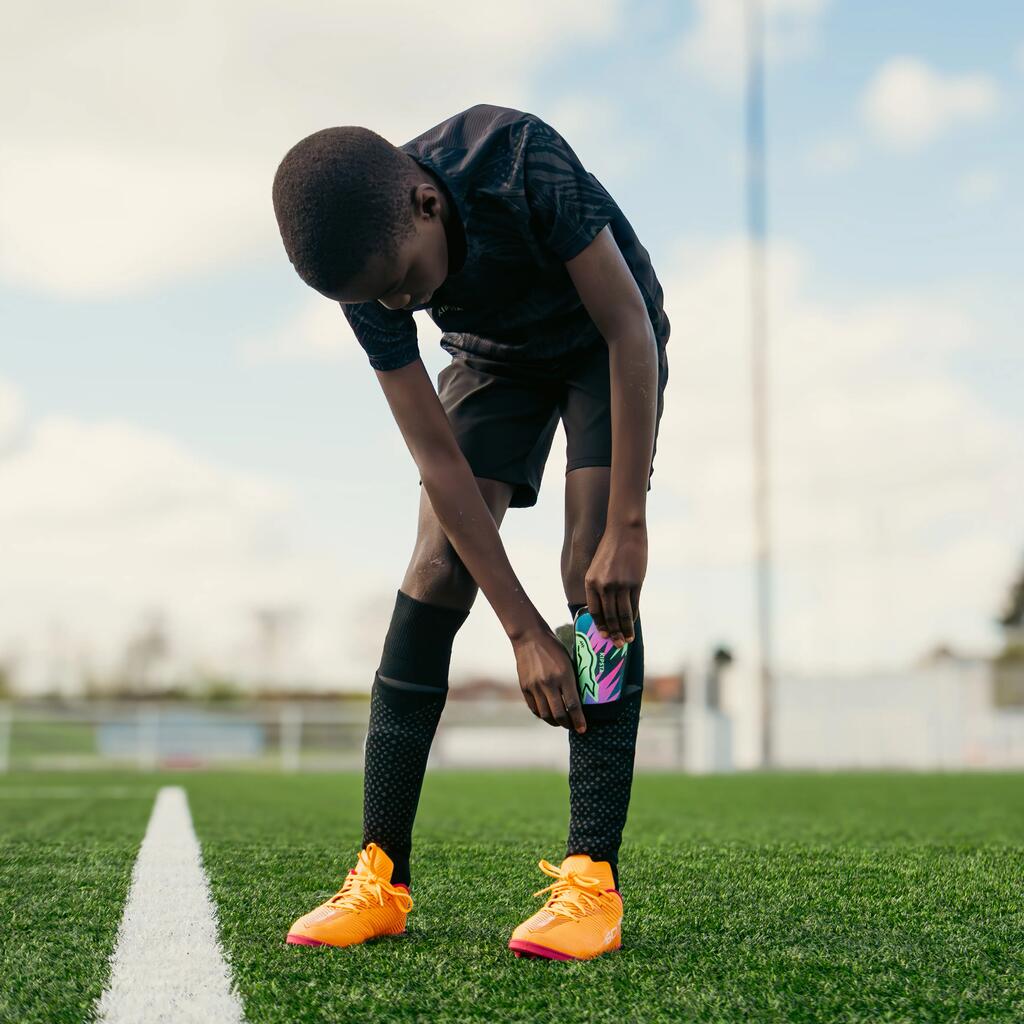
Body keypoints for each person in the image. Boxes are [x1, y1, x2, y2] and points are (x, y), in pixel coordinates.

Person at [271, 103, 670, 961]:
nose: (394, 302)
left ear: (426, 203)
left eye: (401, 283)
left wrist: (628, 526)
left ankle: (592, 880)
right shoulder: (367, 267)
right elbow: (442, 464)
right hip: (494, 358)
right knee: (435, 561)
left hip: (603, 342)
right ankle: (380, 876)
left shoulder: (517, 158)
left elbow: (628, 326)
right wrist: (523, 633)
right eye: (374, 297)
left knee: (589, 561)